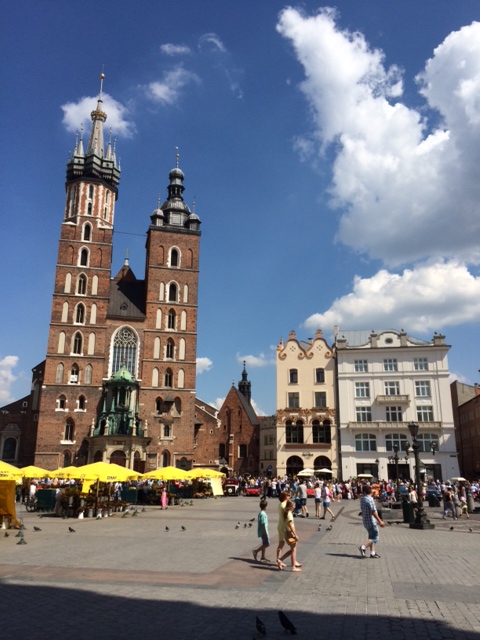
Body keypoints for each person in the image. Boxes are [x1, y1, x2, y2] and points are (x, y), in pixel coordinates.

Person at [359, 485, 384, 559]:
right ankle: (363, 547)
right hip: (371, 521)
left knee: (371, 536)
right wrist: (380, 521)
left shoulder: (363, 499)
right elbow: (373, 511)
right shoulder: (370, 499)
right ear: (370, 491)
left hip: (365, 521)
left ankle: (372, 553)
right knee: (375, 538)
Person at [278, 500, 301, 572]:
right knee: (293, 550)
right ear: (290, 506)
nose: (294, 506)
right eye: (293, 505)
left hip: (287, 532)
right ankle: (293, 567)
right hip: (290, 532)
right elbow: (290, 525)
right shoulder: (289, 514)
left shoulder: (286, 513)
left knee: (292, 549)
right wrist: (295, 534)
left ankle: (280, 559)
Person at [276, 490, 290, 565]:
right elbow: (287, 516)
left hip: (280, 525)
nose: (289, 497)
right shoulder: (284, 505)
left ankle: (278, 560)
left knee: (281, 543)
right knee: (284, 544)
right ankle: (279, 560)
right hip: (284, 526)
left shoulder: (280, 504)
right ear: (285, 497)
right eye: (288, 495)